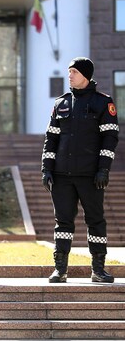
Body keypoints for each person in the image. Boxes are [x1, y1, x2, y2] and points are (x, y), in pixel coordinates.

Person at [42, 57, 119, 284]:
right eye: (69, 71)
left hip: (90, 176)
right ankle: (60, 270)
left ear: (85, 75)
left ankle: (98, 269)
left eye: (74, 72)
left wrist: (103, 169)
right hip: (61, 175)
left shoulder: (103, 103)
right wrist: (46, 169)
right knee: (63, 223)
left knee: (95, 221)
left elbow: (110, 138)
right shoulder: (61, 103)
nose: (70, 75)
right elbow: (51, 140)